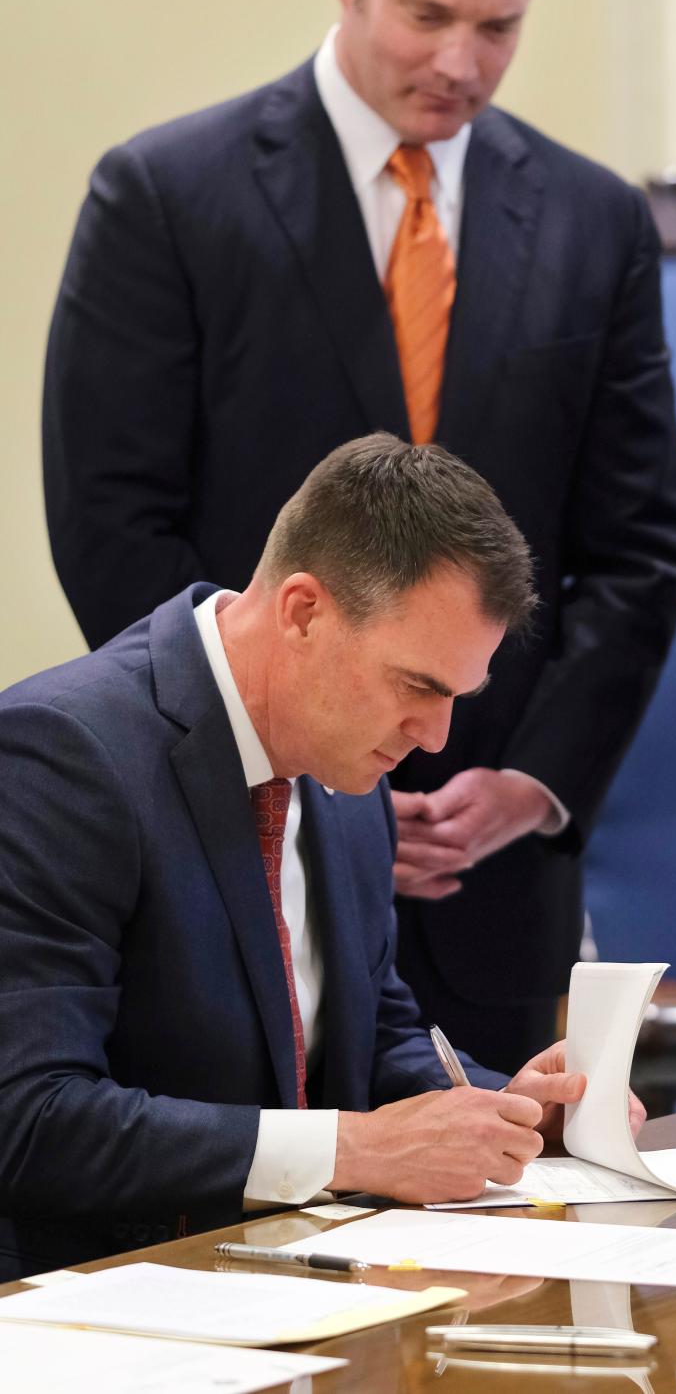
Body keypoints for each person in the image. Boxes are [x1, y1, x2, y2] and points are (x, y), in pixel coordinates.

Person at [42, 0, 676, 1073]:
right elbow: (112, 523)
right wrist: (299, 758)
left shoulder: (596, 221)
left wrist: (532, 785)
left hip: (490, 859)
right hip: (242, 836)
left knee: (495, 1217)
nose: (460, 61)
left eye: (497, 27)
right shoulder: (169, 196)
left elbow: (638, 552)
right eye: (427, 13)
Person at [0, 435, 642, 1281]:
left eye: (457, 696)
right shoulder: (63, 753)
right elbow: (31, 1119)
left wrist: (507, 1109)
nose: (436, 736)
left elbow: (370, 1037)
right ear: (304, 611)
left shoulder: (347, 765)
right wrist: (356, 1148)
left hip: (309, 1289)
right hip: (110, 1304)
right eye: (419, 685)